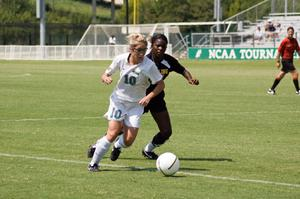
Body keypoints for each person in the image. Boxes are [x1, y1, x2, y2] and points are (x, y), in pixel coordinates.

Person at [104, 33, 199, 161]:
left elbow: (181, 69)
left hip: (157, 99)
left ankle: (148, 150)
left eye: (163, 46)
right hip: (139, 99)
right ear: (152, 46)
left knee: (166, 131)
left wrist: (190, 79)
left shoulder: (168, 60)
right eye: (158, 45)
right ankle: (100, 146)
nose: (160, 48)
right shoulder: (144, 60)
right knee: (119, 129)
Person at [88, 33, 165, 172]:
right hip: (118, 101)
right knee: (112, 132)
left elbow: (160, 84)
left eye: (144, 50)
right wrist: (105, 78)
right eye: (139, 50)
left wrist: (149, 97)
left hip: (136, 106)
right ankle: (94, 164)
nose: (142, 53)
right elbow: (106, 74)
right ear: (131, 49)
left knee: (128, 141)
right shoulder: (120, 59)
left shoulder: (149, 66)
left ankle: (117, 146)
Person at [267, 26, 300, 95]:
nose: (290, 33)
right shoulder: (285, 41)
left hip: (290, 61)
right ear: (287, 32)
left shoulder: (294, 41)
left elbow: (298, 50)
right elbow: (279, 51)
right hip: (285, 60)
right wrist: (277, 61)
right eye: (289, 32)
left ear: (293, 33)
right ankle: (298, 90)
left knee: (281, 75)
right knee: (295, 73)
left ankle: (271, 89)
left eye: (291, 32)